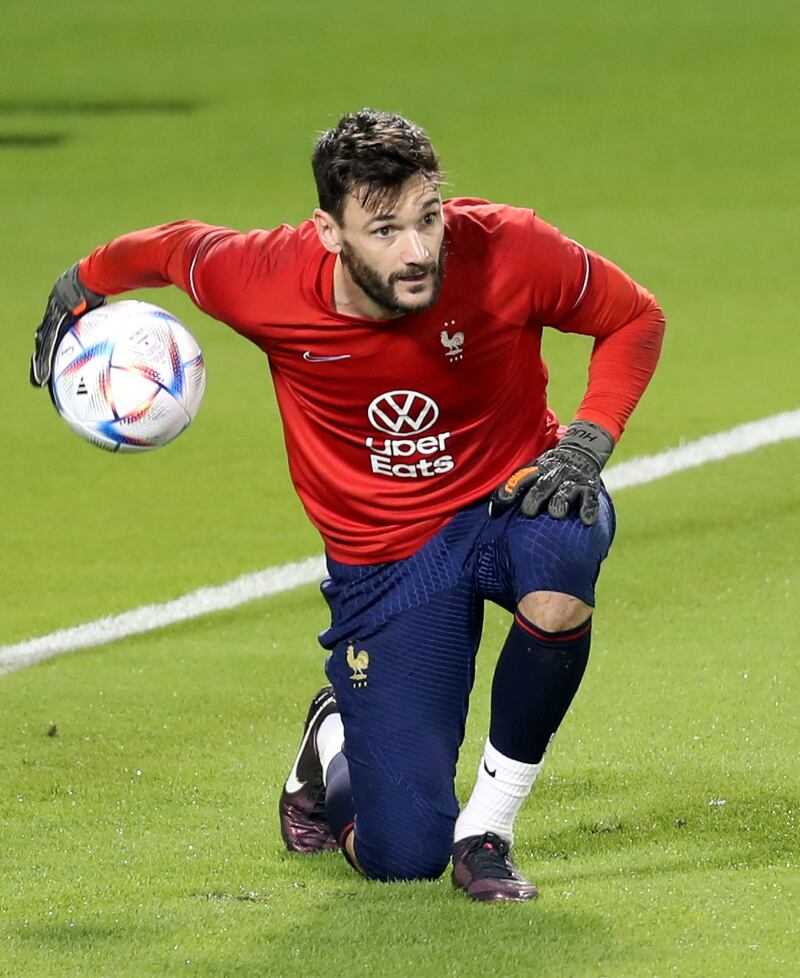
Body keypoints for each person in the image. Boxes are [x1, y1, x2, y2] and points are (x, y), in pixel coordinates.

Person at [30, 108, 664, 902]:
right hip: (387, 560)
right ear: (330, 233)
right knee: (403, 855)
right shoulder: (262, 279)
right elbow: (173, 248)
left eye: (428, 218)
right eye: (385, 229)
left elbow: (634, 315)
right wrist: (83, 281)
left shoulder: (508, 249)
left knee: (564, 552)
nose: (418, 249)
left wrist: (587, 442)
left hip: (510, 496)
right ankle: (334, 737)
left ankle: (488, 831)